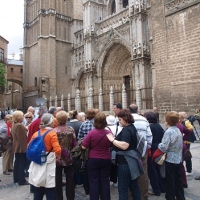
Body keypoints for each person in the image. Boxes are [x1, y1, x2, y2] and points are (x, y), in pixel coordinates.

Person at [107, 109, 143, 200]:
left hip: (125, 162)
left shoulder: (127, 130)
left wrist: (112, 140)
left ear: (125, 119)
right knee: (134, 187)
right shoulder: (131, 127)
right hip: (130, 161)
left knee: (122, 189)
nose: (119, 122)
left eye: (120, 120)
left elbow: (124, 146)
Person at [28, 113, 61, 200]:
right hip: (49, 163)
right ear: (50, 122)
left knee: (38, 188)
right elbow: (57, 149)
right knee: (50, 188)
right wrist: (57, 157)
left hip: (37, 162)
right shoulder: (52, 133)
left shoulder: (36, 133)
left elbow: (29, 146)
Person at [82, 112, 113, 200]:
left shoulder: (92, 133)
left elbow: (84, 146)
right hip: (106, 158)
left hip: (93, 159)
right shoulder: (108, 132)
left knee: (93, 182)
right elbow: (112, 145)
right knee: (105, 181)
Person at [158, 111, 185, 200]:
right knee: (178, 180)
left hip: (170, 159)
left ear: (167, 121)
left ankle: (170, 197)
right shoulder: (177, 130)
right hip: (178, 158)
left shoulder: (168, 132)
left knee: (170, 181)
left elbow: (164, 147)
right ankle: (180, 197)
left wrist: (159, 145)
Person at [129, 104, 152, 200]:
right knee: (143, 172)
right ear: (137, 109)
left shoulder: (127, 118)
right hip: (142, 149)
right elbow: (149, 136)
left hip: (129, 149)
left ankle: (130, 195)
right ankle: (144, 195)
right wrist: (147, 147)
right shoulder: (144, 119)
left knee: (130, 172)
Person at [54, 111, 77, 200]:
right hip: (69, 157)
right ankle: (70, 197)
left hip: (57, 157)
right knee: (70, 178)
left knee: (57, 179)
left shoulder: (54, 131)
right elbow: (74, 144)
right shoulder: (70, 129)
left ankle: (58, 197)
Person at [144, 112, 165, 196]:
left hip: (152, 149)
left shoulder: (150, 127)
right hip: (158, 148)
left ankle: (156, 190)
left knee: (152, 171)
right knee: (158, 169)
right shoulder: (158, 125)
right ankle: (162, 187)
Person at [12, 111, 28, 185]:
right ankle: (21, 180)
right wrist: (25, 148)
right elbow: (22, 139)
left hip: (16, 146)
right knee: (21, 163)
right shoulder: (19, 125)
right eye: (22, 116)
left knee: (17, 162)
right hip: (20, 147)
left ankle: (16, 178)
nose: (23, 117)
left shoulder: (15, 124)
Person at [106, 115, 123, 188]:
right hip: (117, 147)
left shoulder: (106, 129)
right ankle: (115, 181)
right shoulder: (119, 128)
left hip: (109, 148)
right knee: (115, 164)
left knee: (108, 165)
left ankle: (108, 180)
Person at [179, 112, 195, 176]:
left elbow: (191, 128)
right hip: (183, 140)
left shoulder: (186, 122)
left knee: (186, 155)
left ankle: (189, 170)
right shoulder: (181, 122)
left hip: (186, 141)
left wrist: (184, 131)